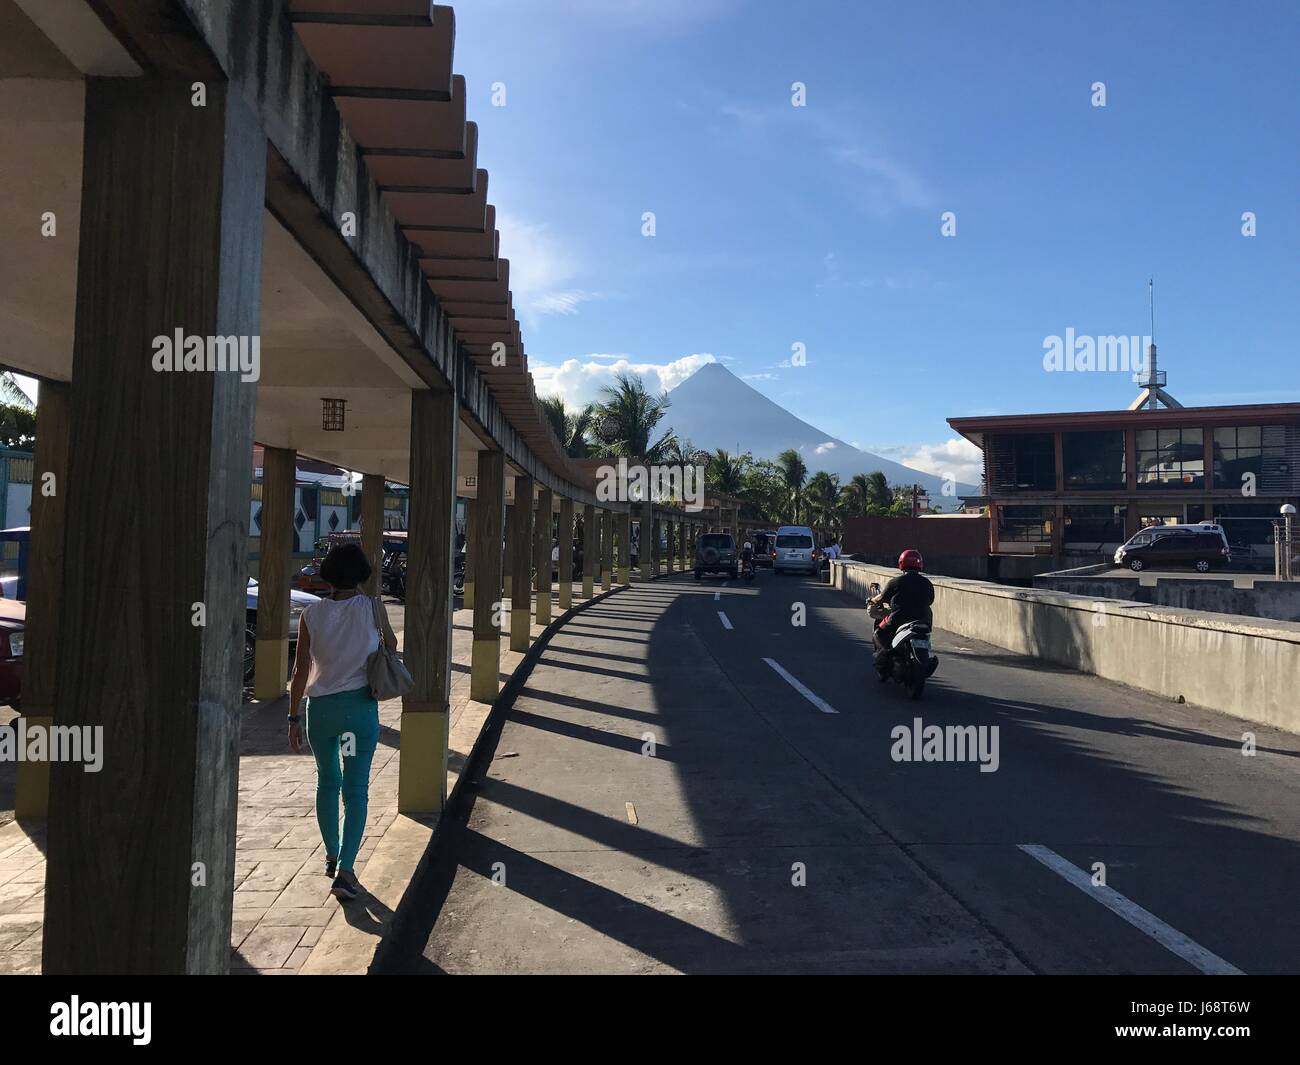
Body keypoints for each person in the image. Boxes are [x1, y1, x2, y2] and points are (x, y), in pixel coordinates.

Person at [288, 541, 397, 902]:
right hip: (359, 710)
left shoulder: (311, 616)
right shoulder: (372, 608)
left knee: (327, 783)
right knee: (356, 790)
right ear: (361, 575)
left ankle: (331, 854)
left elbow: (301, 668)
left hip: (320, 711)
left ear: (328, 575)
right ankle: (347, 871)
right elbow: (392, 647)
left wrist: (292, 716)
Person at [869, 548, 938, 676]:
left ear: (901, 563)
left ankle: (885, 656)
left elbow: (881, 598)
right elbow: (930, 600)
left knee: (879, 633)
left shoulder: (896, 582)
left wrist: (872, 600)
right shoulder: (927, 583)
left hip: (898, 619)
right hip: (924, 620)